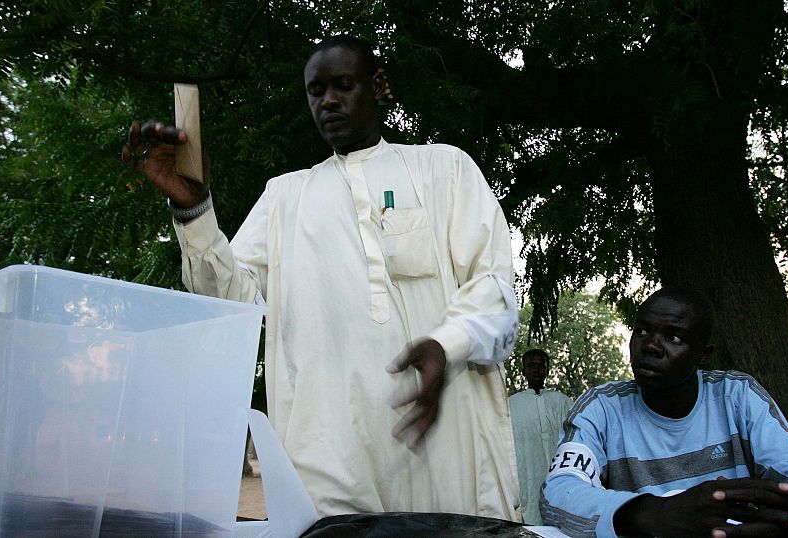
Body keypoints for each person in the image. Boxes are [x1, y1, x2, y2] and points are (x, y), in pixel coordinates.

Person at [121, 35, 520, 519]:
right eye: (316, 91)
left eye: (343, 85)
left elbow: (495, 287)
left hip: (443, 451)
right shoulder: (284, 197)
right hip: (328, 462)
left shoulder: (444, 168)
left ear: (377, 87)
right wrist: (193, 211)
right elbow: (231, 305)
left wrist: (445, 344)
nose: (328, 100)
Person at [540, 287, 788, 537]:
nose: (650, 346)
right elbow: (560, 494)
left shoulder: (736, 396)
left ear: (704, 355)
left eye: (673, 336)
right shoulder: (600, 407)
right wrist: (656, 514)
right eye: (642, 330)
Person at [509, 348, 573, 525]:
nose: (536, 370)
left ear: (547, 369)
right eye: (531, 366)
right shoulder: (512, 405)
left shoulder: (562, 401)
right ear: (523, 371)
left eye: (540, 366)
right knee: (533, 521)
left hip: (560, 474)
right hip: (528, 474)